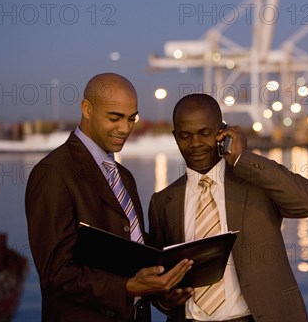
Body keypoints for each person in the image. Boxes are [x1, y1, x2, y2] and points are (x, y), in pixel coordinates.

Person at [25, 73, 192, 322]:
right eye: (114, 118)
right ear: (87, 109)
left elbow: (132, 250)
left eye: (131, 118)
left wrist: (160, 293)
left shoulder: (123, 176)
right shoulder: (53, 173)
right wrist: (126, 287)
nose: (125, 128)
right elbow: (55, 273)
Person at [148, 93, 308, 322]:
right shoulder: (163, 201)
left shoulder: (254, 182)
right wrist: (164, 300)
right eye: (185, 136)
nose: (195, 144)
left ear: (222, 131)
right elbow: (157, 274)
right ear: (175, 137)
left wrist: (243, 158)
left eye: (205, 133)